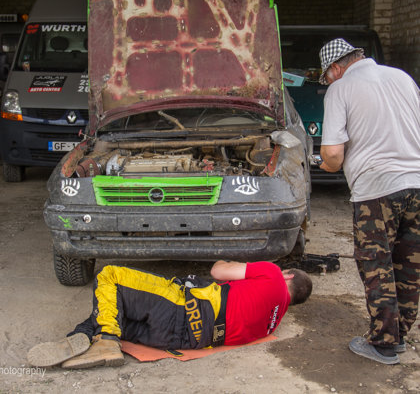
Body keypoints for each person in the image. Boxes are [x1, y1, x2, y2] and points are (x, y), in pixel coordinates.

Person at [317, 38, 420, 365]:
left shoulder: (340, 89)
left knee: (376, 263)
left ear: (336, 68)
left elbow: (333, 154)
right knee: (409, 264)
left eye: (326, 76)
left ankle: (383, 343)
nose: (327, 82)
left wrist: (325, 164)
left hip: (376, 189)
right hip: (417, 182)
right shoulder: (402, 77)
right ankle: (399, 336)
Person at [27, 261, 312, 369]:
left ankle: (105, 340)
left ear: (288, 275)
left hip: (183, 309)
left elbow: (218, 271)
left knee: (109, 276)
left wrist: (231, 263)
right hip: (183, 340)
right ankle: (83, 336)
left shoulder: (273, 274)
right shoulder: (271, 325)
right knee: (110, 311)